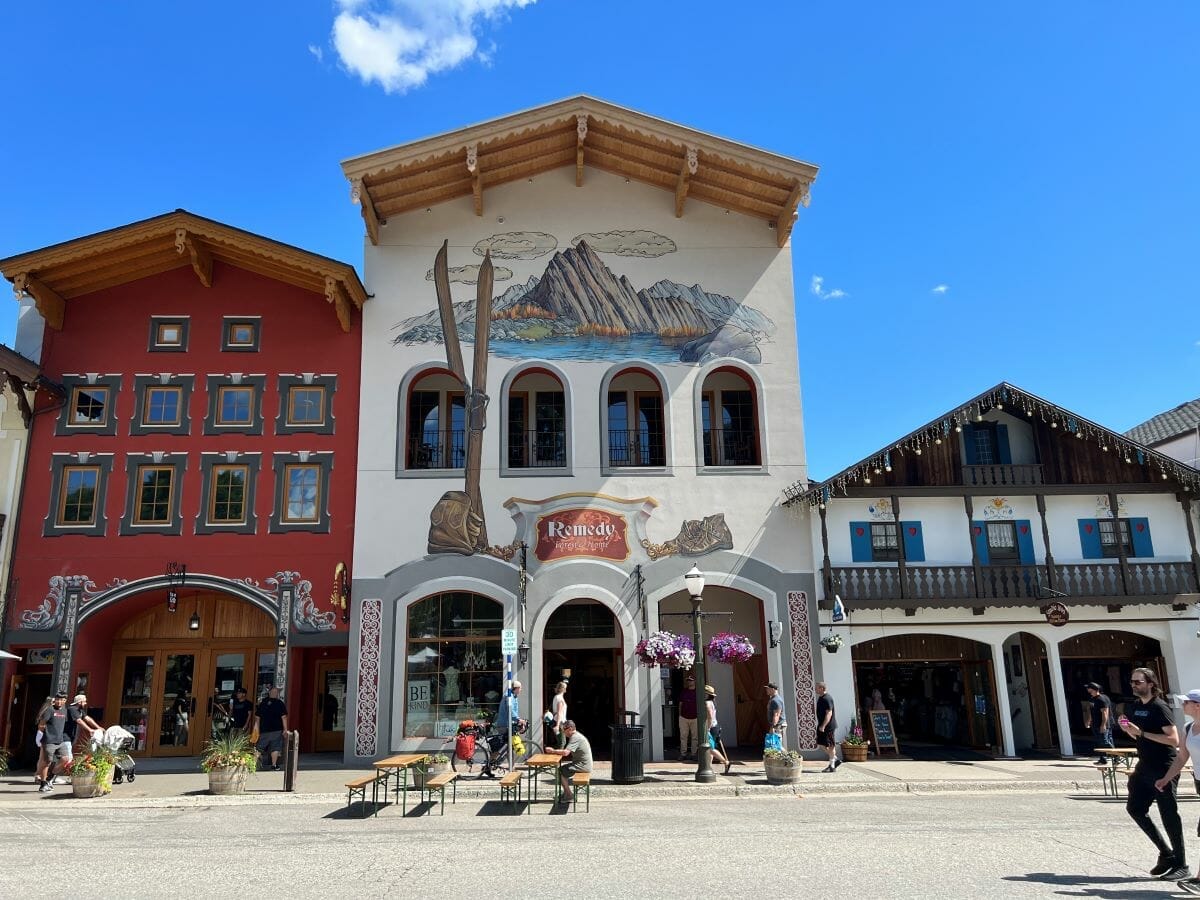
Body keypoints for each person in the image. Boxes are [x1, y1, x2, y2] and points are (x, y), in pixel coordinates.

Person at [1118, 667, 1187, 881]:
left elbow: (1173, 740)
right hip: (1144, 765)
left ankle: (1181, 863)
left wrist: (1142, 733)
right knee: (1135, 808)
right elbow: (1137, 736)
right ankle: (1166, 853)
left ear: (1150, 683)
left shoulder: (1160, 707)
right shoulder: (1135, 707)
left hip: (1163, 766)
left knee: (1169, 815)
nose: (1134, 685)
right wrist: (1128, 729)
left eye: (1138, 682)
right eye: (1132, 682)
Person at [1154, 689, 1200, 895]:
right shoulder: (1189, 727)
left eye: (1186, 702)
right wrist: (1166, 778)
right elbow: (1182, 757)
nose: (1183, 705)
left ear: (1197, 705)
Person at [36, 692, 78, 792]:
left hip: (60, 740)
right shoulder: (49, 710)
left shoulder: (64, 710)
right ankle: (43, 784)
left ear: (65, 701)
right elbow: (42, 724)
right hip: (49, 740)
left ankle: (50, 778)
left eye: (62, 700)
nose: (59, 702)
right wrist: (39, 737)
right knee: (47, 762)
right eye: (58, 699)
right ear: (55, 699)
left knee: (65, 759)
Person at [548, 720, 592, 804]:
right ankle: (566, 793)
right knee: (562, 769)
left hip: (583, 765)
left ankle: (569, 795)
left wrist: (553, 751)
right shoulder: (576, 736)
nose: (564, 732)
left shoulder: (575, 737)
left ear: (570, 728)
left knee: (560, 771)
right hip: (581, 763)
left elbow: (565, 753)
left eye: (564, 729)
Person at [253, 686, 289, 771]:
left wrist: (257, 728)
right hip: (276, 730)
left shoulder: (263, 703)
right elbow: (284, 717)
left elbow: (257, 717)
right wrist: (285, 729)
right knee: (275, 747)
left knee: (259, 748)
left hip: (264, 730)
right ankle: (274, 765)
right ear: (277, 694)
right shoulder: (280, 703)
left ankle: (252, 765)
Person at [704, 685, 732, 775]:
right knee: (709, 749)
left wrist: (708, 728)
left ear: (706, 694)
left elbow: (710, 716)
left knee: (710, 748)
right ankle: (709, 767)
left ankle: (725, 761)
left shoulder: (707, 703)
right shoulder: (712, 702)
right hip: (714, 727)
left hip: (711, 727)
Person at [1083, 681, 1114, 765]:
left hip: (1104, 723)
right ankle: (1102, 758)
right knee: (1099, 741)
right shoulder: (1092, 699)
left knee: (1105, 741)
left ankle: (1116, 756)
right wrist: (1088, 720)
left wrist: (1103, 725)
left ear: (1094, 689)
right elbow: (1090, 710)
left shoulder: (1102, 699)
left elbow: (1105, 712)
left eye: (1089, 688)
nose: (1088, 690)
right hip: (1095, 723)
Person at [816, 681, 839, 772]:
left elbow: (829, 713)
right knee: (821, 743)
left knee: (831, 745)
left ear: (822, 688)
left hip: (828, 726)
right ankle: (835, 758)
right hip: (821, 725)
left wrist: (823, 726)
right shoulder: (821, 698)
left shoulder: (827, 698)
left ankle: (832, 765)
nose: (815, 689)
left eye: (817, 687)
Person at [678, 674, 698, 760]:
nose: (689, 682)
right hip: (684, 717)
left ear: (695, 681)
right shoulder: (684, 691)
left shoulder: (698, 692)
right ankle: (683, 754)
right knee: (683, 736)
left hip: (695, 717)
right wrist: (680, 715)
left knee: (695, 737)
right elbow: (680, 704)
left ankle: (694, 754)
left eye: (691, 680)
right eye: (688, 680)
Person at [549, 681, 568, 750]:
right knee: (562, 742)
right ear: (562, 689)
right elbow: (559, 712)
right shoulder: (560, 698)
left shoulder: (556, 697)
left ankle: (558, 759)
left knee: (561, 742)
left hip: (557, 721)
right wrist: (557, 725)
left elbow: (555, 712)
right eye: (565, 688)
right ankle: (557, 760)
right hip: (559, 723)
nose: (566, 689)